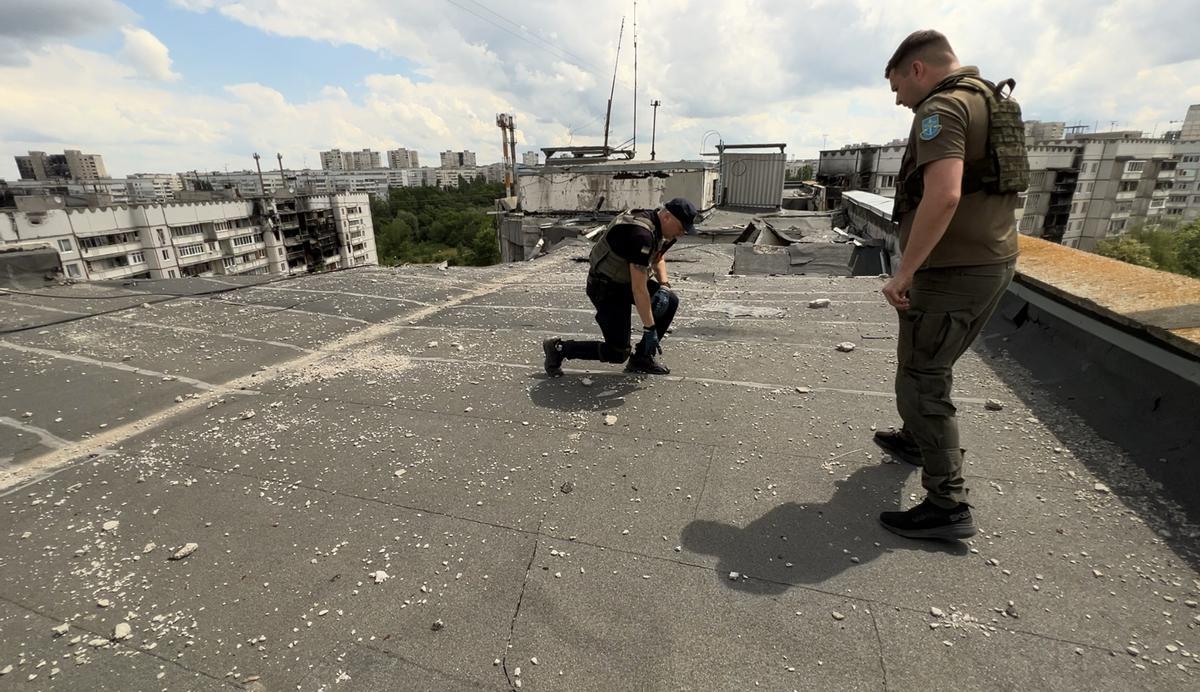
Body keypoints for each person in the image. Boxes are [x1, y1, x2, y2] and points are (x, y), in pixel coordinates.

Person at [875, 30, 1025, 540]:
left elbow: (944, 195)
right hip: (989, 261)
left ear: (916, 69)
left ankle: (948, 503)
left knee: (921, 378)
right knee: (928, 367)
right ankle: (917, 441)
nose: (897, 98)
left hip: (954, 271)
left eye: (896, 85)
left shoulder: (942, 109)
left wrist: (905, 271)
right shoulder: (990, 100)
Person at [543, 197, 699, 376]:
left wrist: (664, 286)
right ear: (667, 217)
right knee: (618, 352)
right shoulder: (641, 235)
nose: (681, 234)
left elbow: (658, 257)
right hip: (605, 288)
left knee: (670, 300)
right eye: (681, 228)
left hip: (624, 281)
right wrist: (650, 329)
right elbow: (639, 289)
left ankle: (642, 359)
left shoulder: (662, 230)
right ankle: (559, 349)